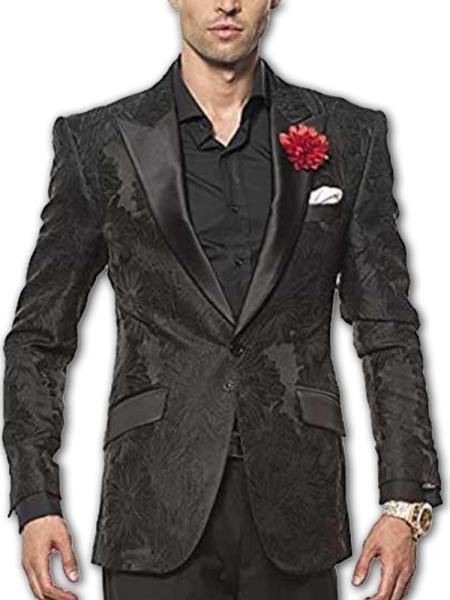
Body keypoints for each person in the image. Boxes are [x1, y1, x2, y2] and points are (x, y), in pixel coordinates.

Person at [2, 1, 443, 599]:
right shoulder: (99, 142)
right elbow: (39, 337)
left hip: (298, 506)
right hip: (154, 508)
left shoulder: (348, 136)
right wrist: (36, 499)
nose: (226, 3)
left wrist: (404, 501)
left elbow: (387, 328)